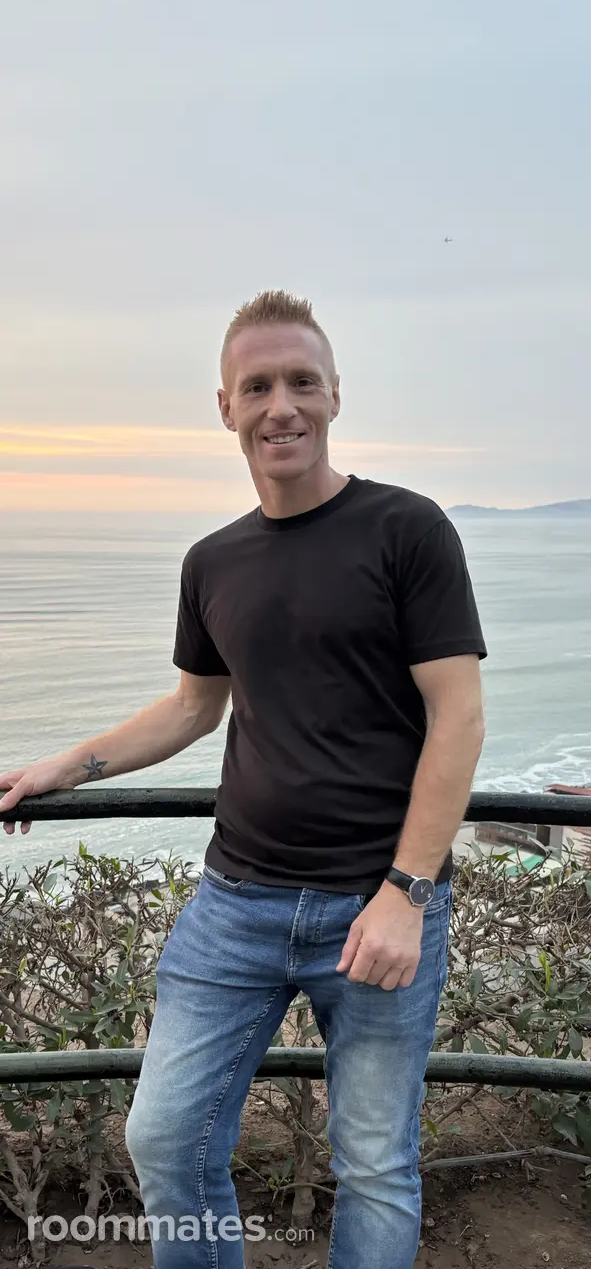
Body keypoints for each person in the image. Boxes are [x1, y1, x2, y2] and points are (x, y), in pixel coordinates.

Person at [1, 291, 487, 1269]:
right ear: (225, 406)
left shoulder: (407, 528)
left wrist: (405, 893)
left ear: (335, 393)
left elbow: (458, 716)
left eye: (301, 381)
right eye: (257, 386)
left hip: (377, 903)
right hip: (236, 903)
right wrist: (60, 766)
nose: (281, 406)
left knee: (374, 1161)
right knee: (164, 1137)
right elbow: (192, 706)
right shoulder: (213, 560)